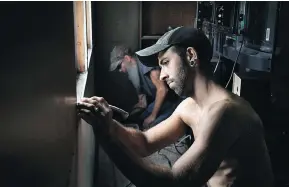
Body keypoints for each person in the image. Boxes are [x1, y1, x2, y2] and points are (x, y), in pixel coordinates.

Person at [77, 26, 274, 187]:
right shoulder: (189, 106)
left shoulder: (226, 112)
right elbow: (145, 142)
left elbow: (175, 182)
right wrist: (109, 123)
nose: (161, 75)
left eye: (165, 63)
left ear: (190, 56)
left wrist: (106, 137)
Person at [109, 45, 181, 129]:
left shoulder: (145, 64)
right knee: (138, 120)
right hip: (158, 101)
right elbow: (142, 99)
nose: (120, 70)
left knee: (150, 125)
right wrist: (137, 107)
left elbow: (162, 90)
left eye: (119, 66)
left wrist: (152, 116)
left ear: (127, 58)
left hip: (171, 100)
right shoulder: (133, 71)